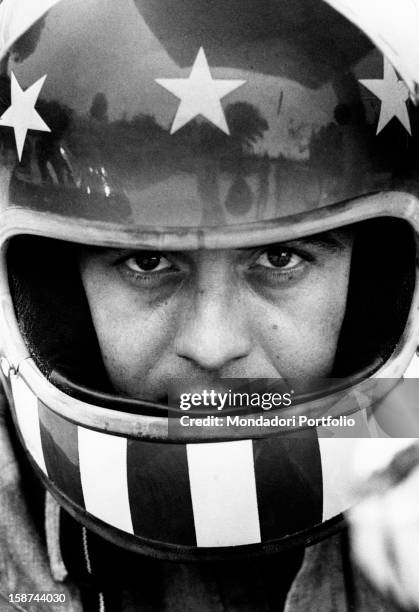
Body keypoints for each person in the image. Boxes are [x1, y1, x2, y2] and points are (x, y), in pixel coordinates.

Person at [0, 0, 419, 610]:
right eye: (147, 264)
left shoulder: (405, 448)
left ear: (376, 286)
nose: (215, 344)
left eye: (281, 260)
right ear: (51, 292)